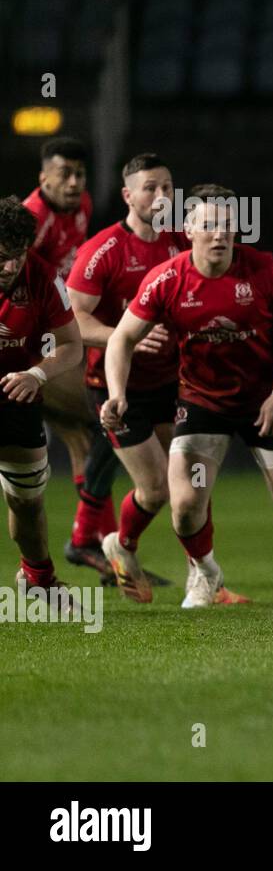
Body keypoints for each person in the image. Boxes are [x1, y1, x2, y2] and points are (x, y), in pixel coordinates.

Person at [102, 184, 273, 607]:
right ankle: (205, 575)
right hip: (202, 404)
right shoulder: (168, 279)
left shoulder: (266, 271)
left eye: (227, 227)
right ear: (189, 229)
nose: (219, 235)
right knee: (184, 504)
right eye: (208, 226)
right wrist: (116, 394)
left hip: (263, 402)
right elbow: (122, 339)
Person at [67, 153, 187, 602]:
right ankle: (107, 545)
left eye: (168, 186)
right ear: (127, 195)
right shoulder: (103, 250)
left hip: (171, 381)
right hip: (115, 388)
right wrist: (127, 337)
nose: (161, 196)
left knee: (191, 481)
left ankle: (205, 575)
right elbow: (74, 320)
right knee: (155, 487)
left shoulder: (181, 239)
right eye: (151, 187)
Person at [22, 137, 113, 574]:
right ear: (44, 178)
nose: (75, 182)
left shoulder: (82, 207)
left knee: (84, 435)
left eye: (80, 174)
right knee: (104, 421)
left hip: (56, 333)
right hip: (31, 342)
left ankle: (98, 544)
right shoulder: (30, 220)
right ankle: (101, 543)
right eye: (65, 174)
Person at [0, 196, 84, 602]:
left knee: (26, 501)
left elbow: (71, 345)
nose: (9, 267)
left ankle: (39, 582)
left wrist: (38, 374)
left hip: (15, 393)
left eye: (16, 256)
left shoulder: (44, 278)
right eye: (1, 257)